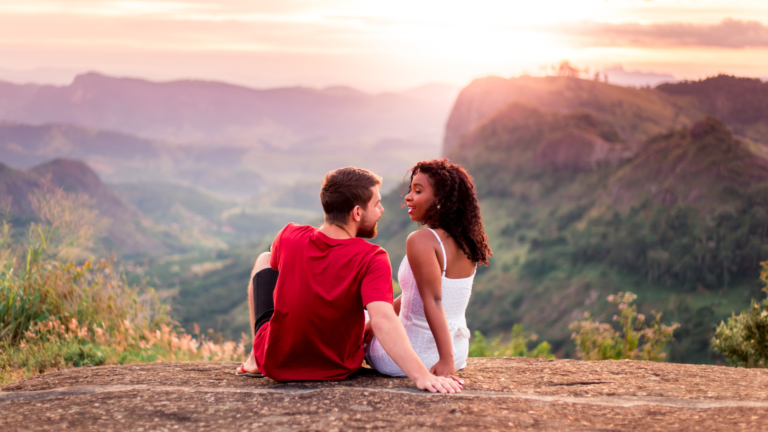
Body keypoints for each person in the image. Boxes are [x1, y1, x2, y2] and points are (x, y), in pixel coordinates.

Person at [236, 166, 463, 394]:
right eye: (376, 204)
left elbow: (276, 267)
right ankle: (257, 356)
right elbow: (384, 320)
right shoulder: (372, 257)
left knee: (265, 259)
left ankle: (257, 357)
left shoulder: (288, 235)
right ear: (357, 213)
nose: (381, 210)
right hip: (337, 366)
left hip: (275, 362)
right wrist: (421, 376)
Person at [365, 159, 492, 377]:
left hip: (409, 355)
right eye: (411, 189)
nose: (408, 197)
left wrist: (446, 361)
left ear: (440, 199)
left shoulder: (422, 240)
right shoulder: (467, 240)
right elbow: (410, 297)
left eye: (418, 190)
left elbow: (433, 301)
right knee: (371, 316)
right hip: (458, 351)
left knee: (357, 317)